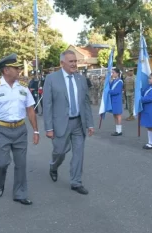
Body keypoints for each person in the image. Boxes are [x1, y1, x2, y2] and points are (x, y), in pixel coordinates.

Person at [0, 53, 39, 205]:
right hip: (1, 130)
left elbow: (30, 109)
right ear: (6, 70)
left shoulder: (23, 87)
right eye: (15, 68)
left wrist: (36, 131)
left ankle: (20, 193)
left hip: (20, 129)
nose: (19, 70)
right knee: (1, 163)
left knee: (21, 164)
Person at [43, 50, 94, 195]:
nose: (74, 64)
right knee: (60, 152)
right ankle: (53, 166)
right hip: (60, 124)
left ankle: (76, 182)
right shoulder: (51, 79)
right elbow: (47, 104)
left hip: (79, 123)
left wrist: (90, 124)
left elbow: (85, 103)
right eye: (71, 61)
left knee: (78, 154)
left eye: (75, 61)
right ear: (62, 63)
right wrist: (48, 128)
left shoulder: (80, 79)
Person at [109, 68, 124, 136]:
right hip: (113, 99)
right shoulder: (114, 81)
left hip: (117, 100)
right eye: (112, 73)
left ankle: (119, 131)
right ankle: (116, 130)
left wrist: (109, 92)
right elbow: (110, 87)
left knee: (118, 115)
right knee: (114, 115)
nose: (112, 74)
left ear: (117, 73)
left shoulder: (120, 81)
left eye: (113, 73)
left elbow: (117, 91)